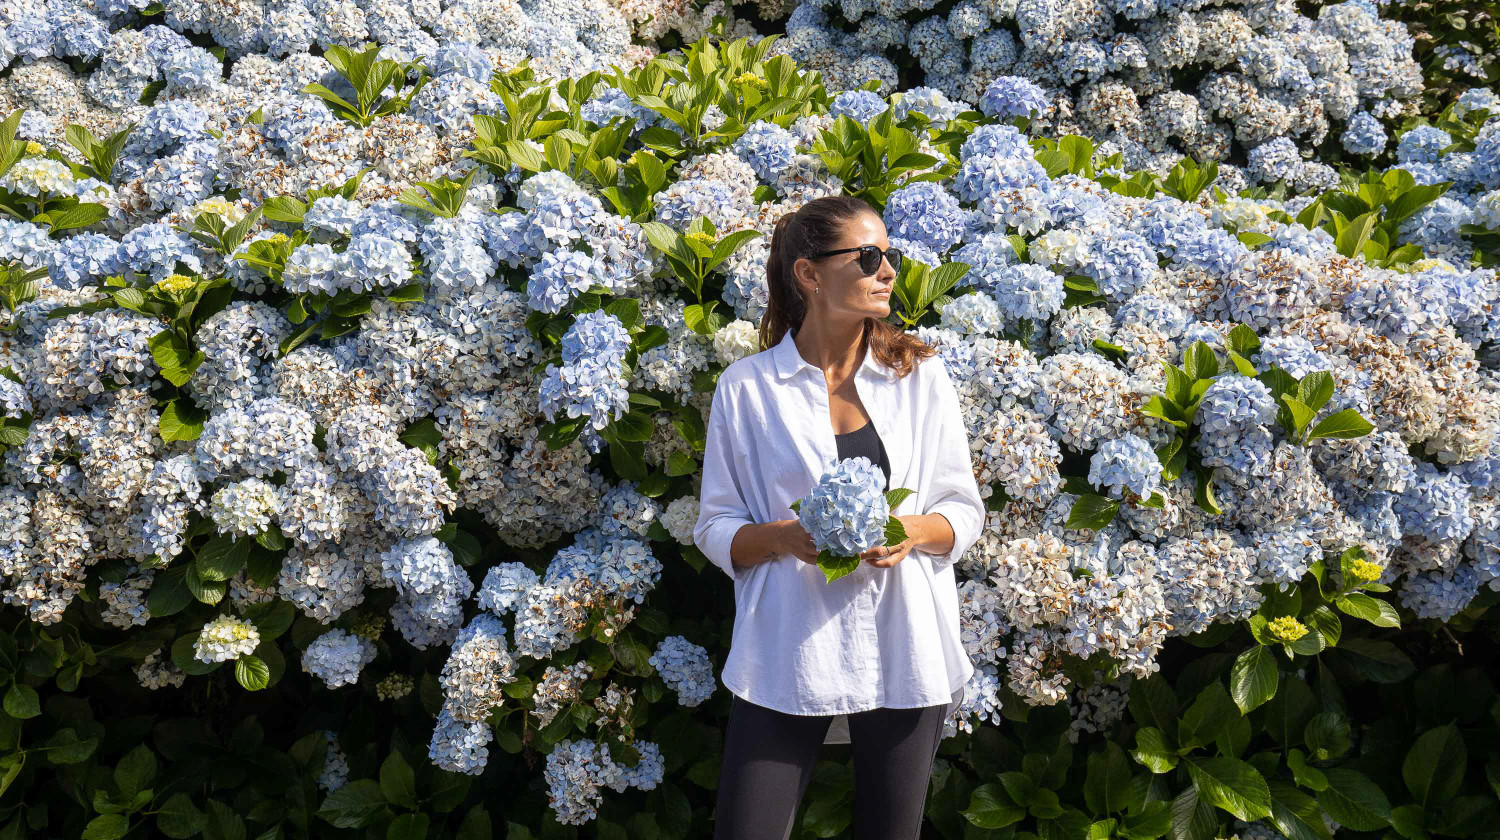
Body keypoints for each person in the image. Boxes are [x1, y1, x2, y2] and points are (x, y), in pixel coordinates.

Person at [692, 194, 988, 840]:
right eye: (870, 257)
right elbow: (715, 526)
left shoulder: (919, 376)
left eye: (892, 258)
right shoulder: (746, 389)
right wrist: (782, 538)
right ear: (809, 273)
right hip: (787, 649)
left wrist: (909, 532)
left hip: (907, 643)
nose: (889, 272)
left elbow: (962, 511)